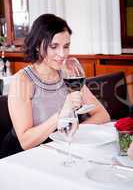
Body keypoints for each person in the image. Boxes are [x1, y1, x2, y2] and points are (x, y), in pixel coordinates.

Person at [0, 14, 110, 158]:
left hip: (58, 148)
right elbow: (25, 141)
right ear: (38, 46)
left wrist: (70, 132)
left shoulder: (69, 74)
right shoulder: (23, 80)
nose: (62, 54)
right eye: (54, 46)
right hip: (22, 155)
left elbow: (102, 115)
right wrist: (61, 115)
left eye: (66, 46)